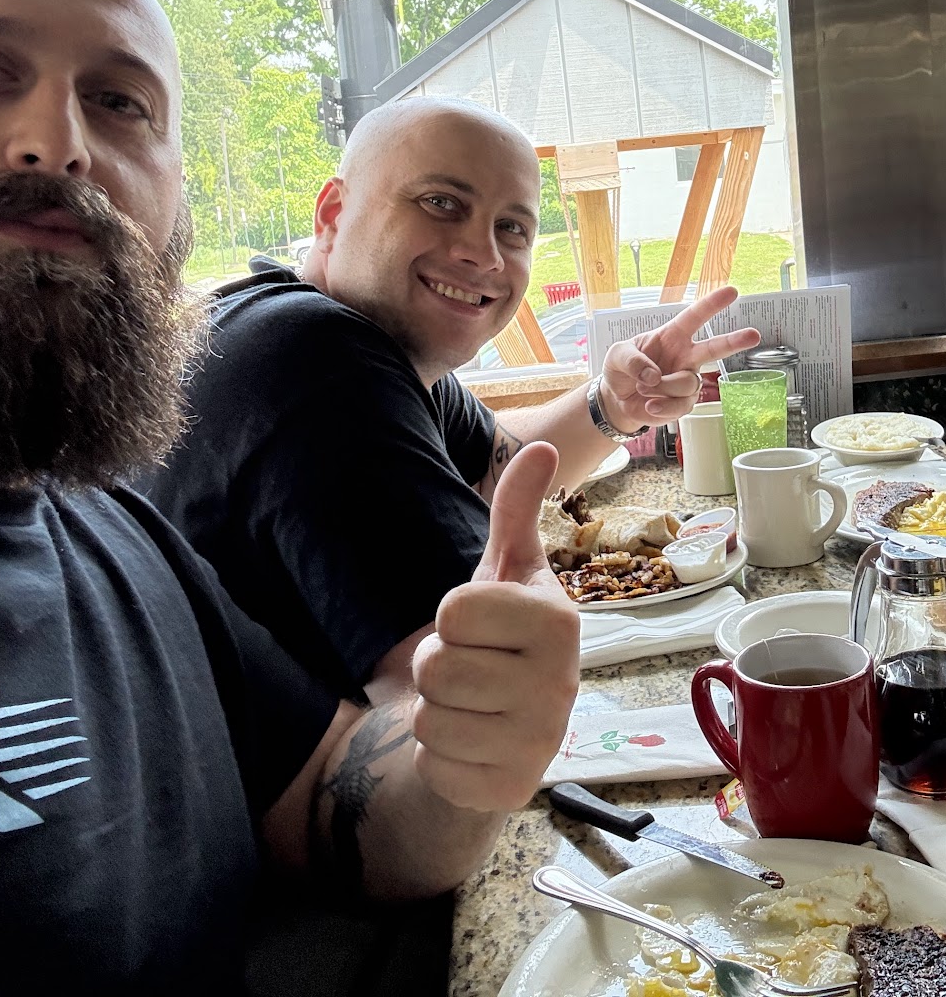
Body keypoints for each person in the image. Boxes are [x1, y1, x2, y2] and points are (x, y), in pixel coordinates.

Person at [0, 0, 579, 990]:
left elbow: (332, 800)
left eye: (120, 102)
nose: (58, 142)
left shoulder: (106, 523)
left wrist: (462, 761)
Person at [145, 96, 757, 702]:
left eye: (511, 228)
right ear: (333, 213)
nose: (483, 254)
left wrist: (613, 405)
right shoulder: (319, 358)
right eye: (441, 203)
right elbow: (474, 693)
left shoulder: (303, 326)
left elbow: (498, 469)